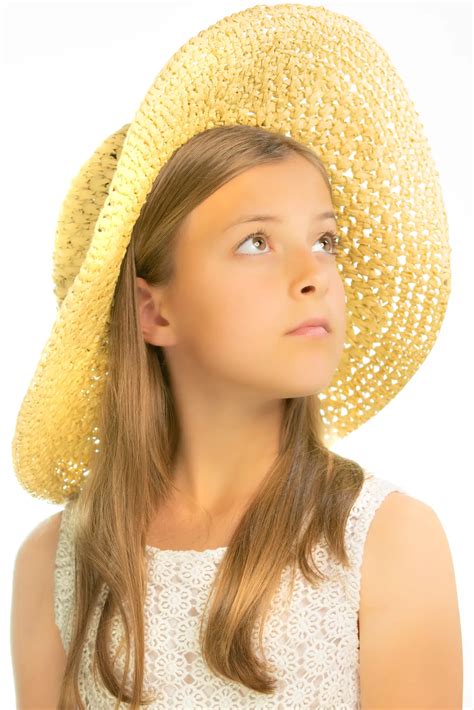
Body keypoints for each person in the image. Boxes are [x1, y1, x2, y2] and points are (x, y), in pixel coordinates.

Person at [10, 5, 463, 709]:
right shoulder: (57, 565)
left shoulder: (387, 545)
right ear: (155, 310)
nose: (315, 273)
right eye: (256, 241)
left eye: (326, 241)